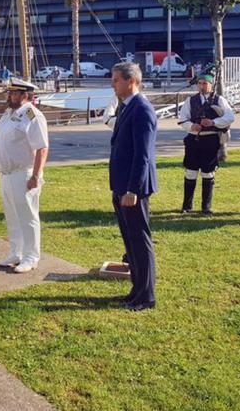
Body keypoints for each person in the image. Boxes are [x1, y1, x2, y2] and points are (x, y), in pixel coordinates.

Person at [109, 62, 158, 311]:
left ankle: (146, 296)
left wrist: (132, 190)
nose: (112, 83)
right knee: (130, 242)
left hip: (133, 189)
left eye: (116, 79)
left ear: (131, 81)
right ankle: (136, 290)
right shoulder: (126, 107)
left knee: (140, 242)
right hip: (121, 186)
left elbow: (143, 155)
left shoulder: (141, 109)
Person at [0, 77, 49, 273]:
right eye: (9, 92)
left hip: (23, 174)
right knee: (12, 216)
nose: (9, 96)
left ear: (25, 95)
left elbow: (42, 147)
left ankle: (31, 256)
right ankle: (16, 252)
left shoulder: (32, 115)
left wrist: (36, 175)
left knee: (28, 216)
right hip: (6, 174)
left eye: (13, 93)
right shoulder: (9, 114)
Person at [178, 68, 235, 214]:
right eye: (200, 83)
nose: (202, 86)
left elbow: (230, 117)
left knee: (208, 173)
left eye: (205, 83)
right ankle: (187, 206)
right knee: (190, 171)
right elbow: (182, 119)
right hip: (193, 140)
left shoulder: (219, 100)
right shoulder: (190, 101)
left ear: (210, 84)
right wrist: (192, 126)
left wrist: (213, 122)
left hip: (210, 140)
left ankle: (206, 207)